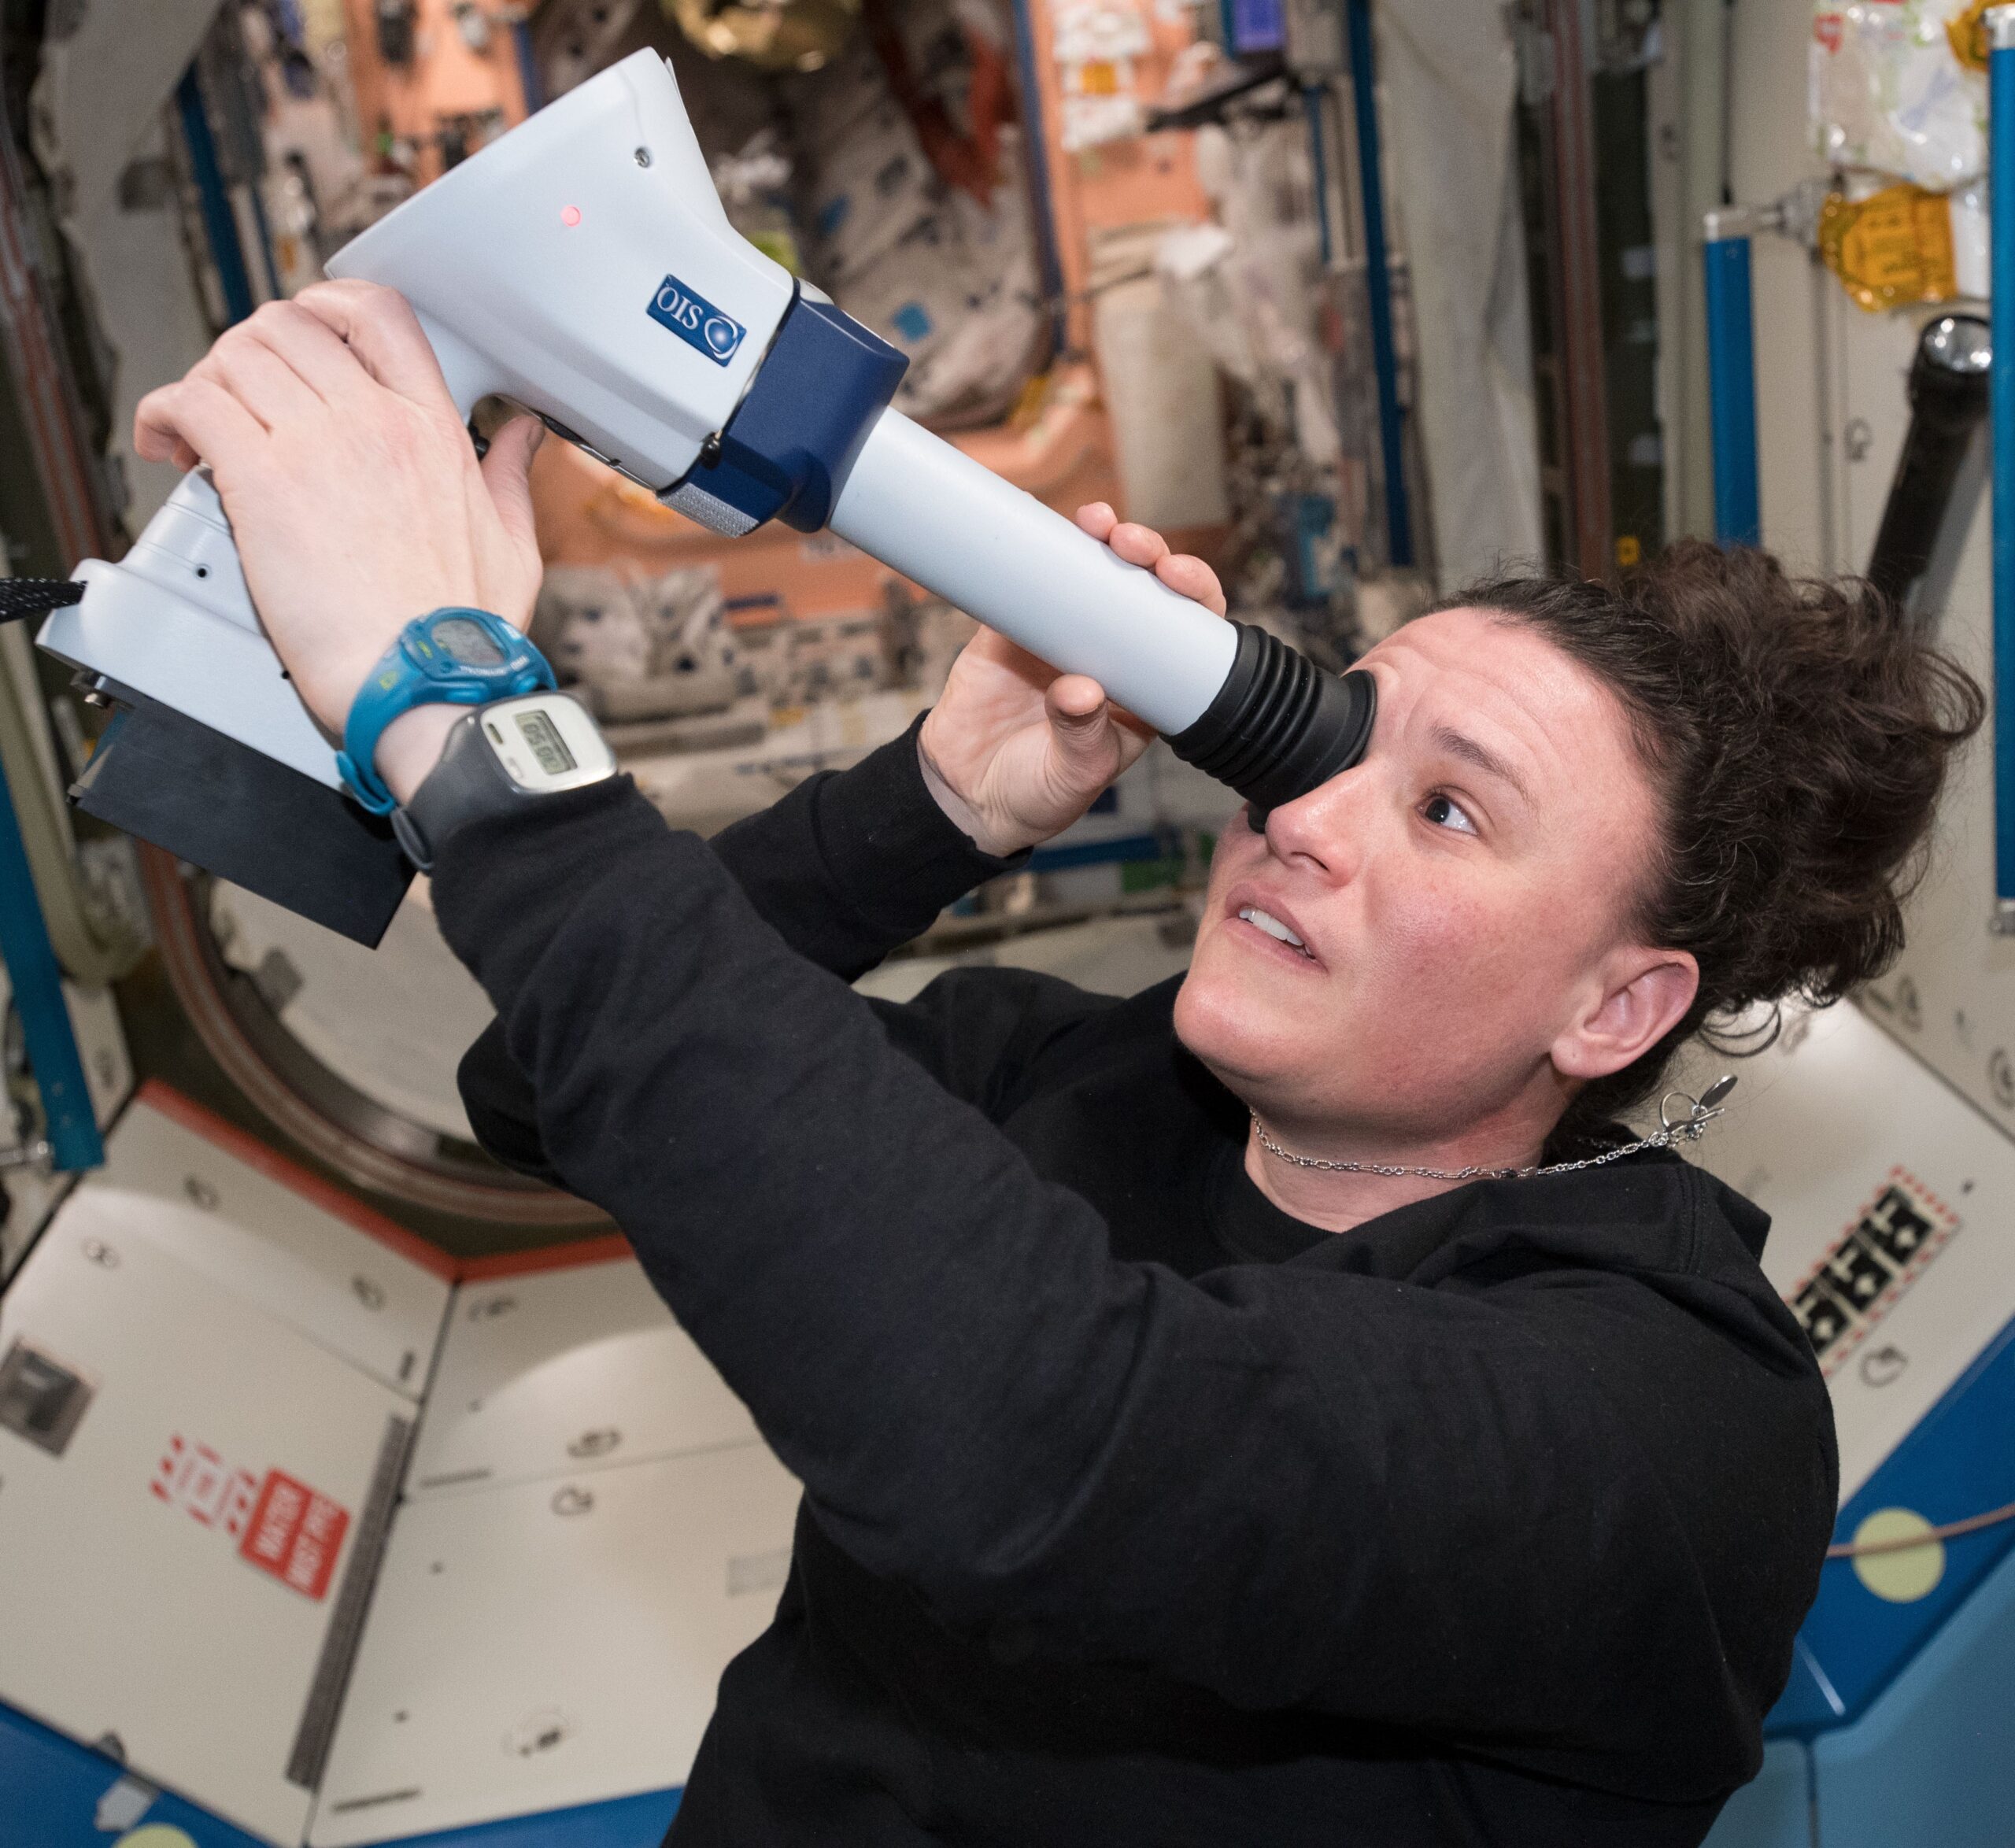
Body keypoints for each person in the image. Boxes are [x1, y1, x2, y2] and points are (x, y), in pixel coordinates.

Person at [136, 285, 1981, 1846]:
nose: (1305, 814)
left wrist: (456, 710)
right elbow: (539, 1089)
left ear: (1611, 1012)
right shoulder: (1073, 1077)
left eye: (1444, 807)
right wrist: (935, 804)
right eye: (1331, 733)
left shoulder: (1660, 1413)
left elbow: (1037, 1436)